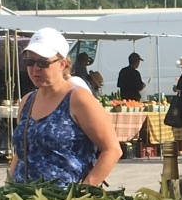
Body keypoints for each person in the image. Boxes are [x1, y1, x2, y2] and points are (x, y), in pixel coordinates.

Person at [11, 28, 121, 188]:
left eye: (43, 63)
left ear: (62, 64)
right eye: (30, 62)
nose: (35, 68)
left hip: (65, 198)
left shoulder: (78, 99)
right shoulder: (27, 101)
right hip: (22, 198)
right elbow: (21, 152)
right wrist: (9, 185)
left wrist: (84, 190)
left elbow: (112, 150)